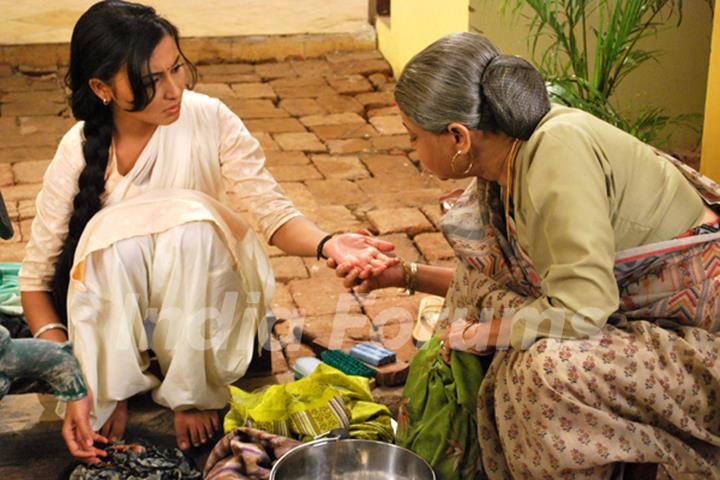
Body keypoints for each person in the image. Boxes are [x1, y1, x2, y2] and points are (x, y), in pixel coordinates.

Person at [18, 0, 396, 463]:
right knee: (107, 241)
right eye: (150, 82)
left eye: (176, 68)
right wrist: (74, 380)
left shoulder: (209, 117)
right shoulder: (76, 151)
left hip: (207, 317)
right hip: (121, 337)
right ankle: (114, 382)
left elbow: (271, 213)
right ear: (101, 88)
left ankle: (191, 386)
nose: (174, 89)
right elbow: (35, 283)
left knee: (192, 229)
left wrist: (328, 243)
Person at [335, 32, 720, 478]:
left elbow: (583, 308)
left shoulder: (556, 154)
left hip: (698, 342)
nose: (413, 151)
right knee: (485, 298)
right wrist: (404, 275)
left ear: (459, 137)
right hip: (626, 316)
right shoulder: (512, 156)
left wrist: (485, 335)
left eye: (414, 138)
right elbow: (494, 283)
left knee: (543, 369)